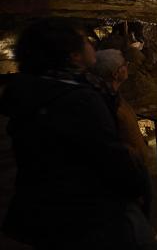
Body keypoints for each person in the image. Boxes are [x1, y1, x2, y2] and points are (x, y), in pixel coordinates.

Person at [0, 18, 146, 249]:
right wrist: (138, 185)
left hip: (39, 210)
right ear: (73, 55)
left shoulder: (27, 92)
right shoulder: (80, 99)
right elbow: (110, 158)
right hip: (85, 215)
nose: (91, 44)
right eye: (85, 41)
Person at [90, 49, 157, 245]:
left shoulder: (112, 95)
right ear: (117, 73)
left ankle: (144, 232)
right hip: (125, 163)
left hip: (133, 160)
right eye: (124, 65)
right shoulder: (102, 101)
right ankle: (139, 238)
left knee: (141, 199)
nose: (128, 68)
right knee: (133, 202)